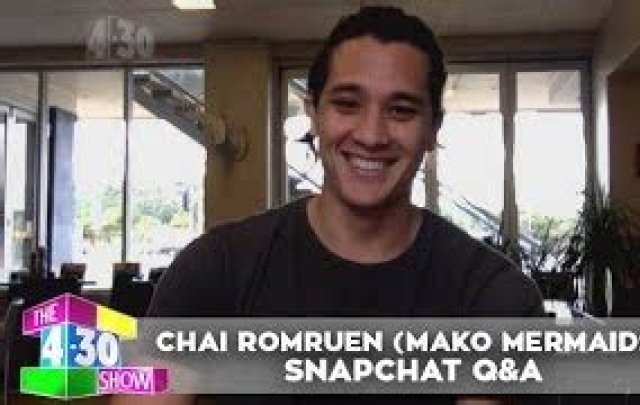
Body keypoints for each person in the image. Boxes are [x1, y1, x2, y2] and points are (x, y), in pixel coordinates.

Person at [113, 6, 543, 405]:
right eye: (347, 104)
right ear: (314, 113)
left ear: (433, 129)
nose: (371, 135)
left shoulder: (493, 297)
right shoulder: (214, 269)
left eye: (401, 110)